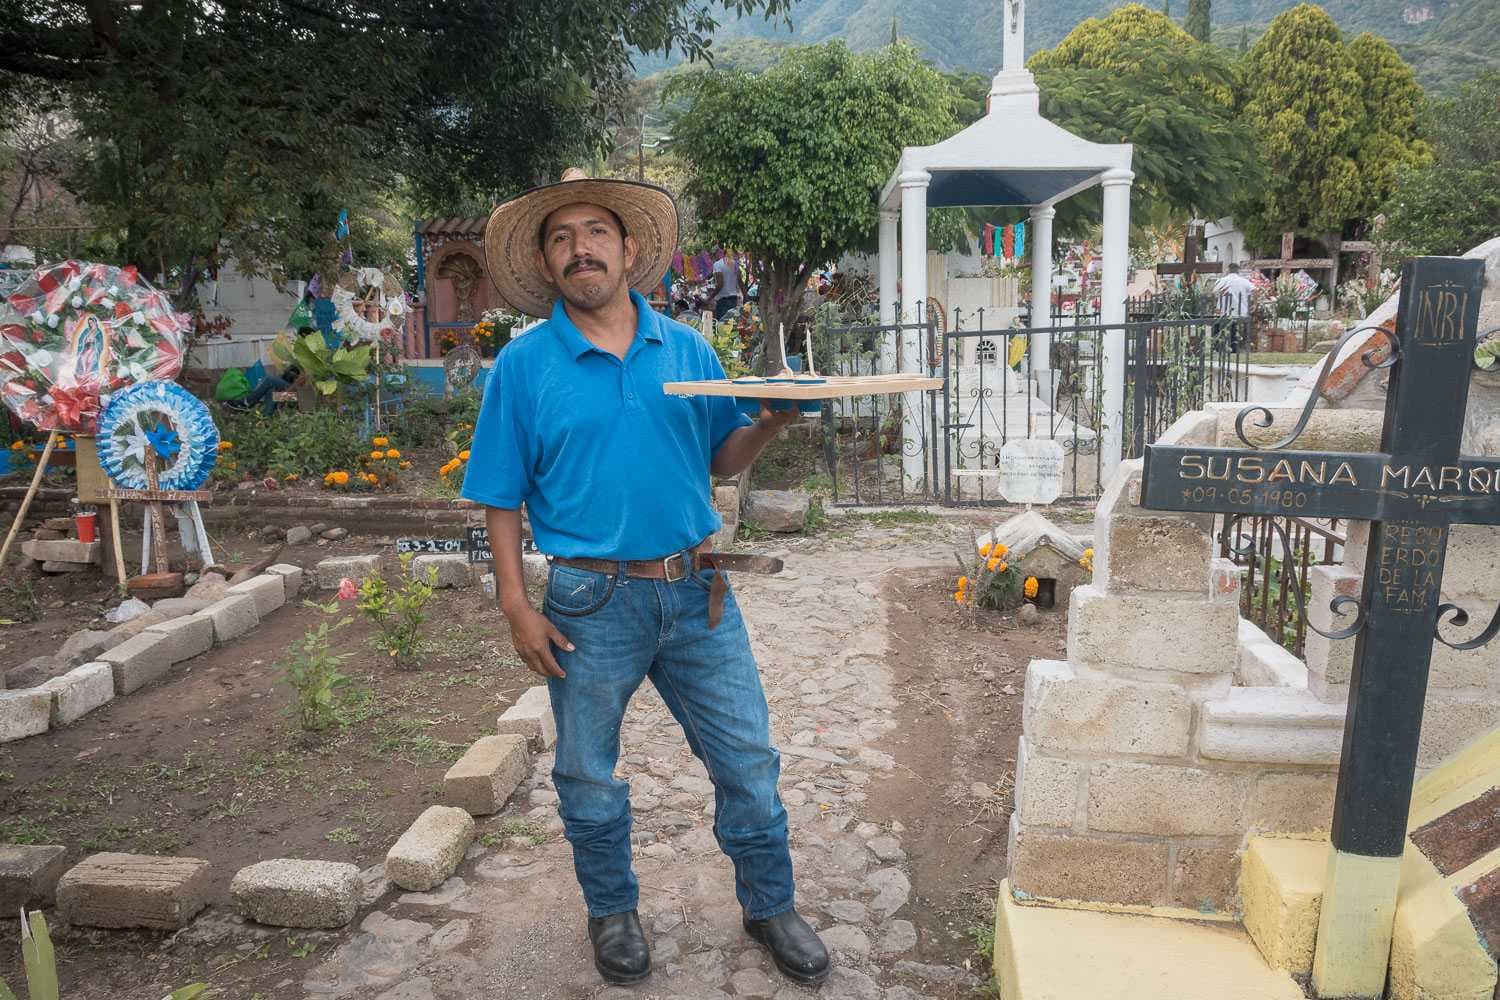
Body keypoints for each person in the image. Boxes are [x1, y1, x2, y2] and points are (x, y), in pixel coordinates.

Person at [462, 169, 831, 988]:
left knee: (748, 762)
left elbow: (719, 457)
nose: (579, 249)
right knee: (587, 771)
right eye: (560, 238)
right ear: (548, 264)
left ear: (629, 249)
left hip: (696, 592)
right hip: (589, 602)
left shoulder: (687, 348)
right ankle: (613, 912)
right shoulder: (524, 368)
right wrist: (516, 605)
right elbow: (497, 496)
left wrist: (766, 423)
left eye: (594, 232)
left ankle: (770, 905)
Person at [1213, 262, 1255, 353]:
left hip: (1225, 311)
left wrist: (1217, 306)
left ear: (1228, 269)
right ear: (1238, 271)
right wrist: (1255, 303)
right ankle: (1236, 347)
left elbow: (1214, 293)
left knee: (1217, 326)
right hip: (1241, 311)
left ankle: (1216, 347)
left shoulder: (1222, 280)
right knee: (1235, 328)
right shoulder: (1244, 281)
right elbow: (1255, 290)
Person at [710, 246, 742, 321]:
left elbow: (720, 284)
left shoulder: (717, 264)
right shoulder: (734, 263)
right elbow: (740, 281)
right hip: (733, 299)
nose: (713, 258)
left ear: (717, 253)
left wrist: (710, 298)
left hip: (723, 301)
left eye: (713, 255)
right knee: (732, 324)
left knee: (722, 325)